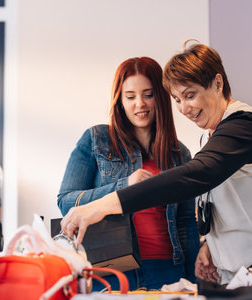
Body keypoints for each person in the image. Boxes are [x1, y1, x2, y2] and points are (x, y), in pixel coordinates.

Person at [60, 42, 252, 285]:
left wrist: (103, 204)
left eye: (190, 96)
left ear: (217, 84)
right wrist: (212, 246)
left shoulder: (245, 126)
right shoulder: (209, 138)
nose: (184, 108)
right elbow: (215, 203)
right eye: (177, 100)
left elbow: (195, 176)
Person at [57, 57, 200, 290]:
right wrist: (125, 186)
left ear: (160, 97)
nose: (139, 104)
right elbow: (66, 203)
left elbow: (185, 223)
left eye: (148, 94)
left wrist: (195, 282)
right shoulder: (96, 141)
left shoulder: (179, 153)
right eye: (130, 96)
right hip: (113, 273)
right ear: (120, 101)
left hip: (169, 271)